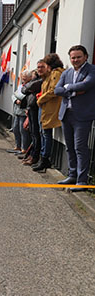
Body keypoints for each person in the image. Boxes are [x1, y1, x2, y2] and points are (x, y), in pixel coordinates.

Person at [55, 45, 95, 192]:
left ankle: (82, 181)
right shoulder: (67, 72)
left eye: (78, 57)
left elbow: (87, 84)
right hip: (66, 114)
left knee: (80, 148)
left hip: (82, 116)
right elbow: (57, 90)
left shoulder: (92, 70)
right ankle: (72, 175)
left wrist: (68, 88)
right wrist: (73, 90)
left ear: (86, 56)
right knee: (69, 146)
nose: (75, 60)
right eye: (73, 57)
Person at [33, 53, 64, 173]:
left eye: (45, 65)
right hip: (46, 106)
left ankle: (45, 159)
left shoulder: (56, 73)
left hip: (49, 107)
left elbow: (53, 90)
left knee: (46, 133)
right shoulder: (51, 74)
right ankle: (43, 158)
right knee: (43, 132)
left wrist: (41, 99)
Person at [21, 66, 43, 166]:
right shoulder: (36, 81)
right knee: (32, 133)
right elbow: (24, 89)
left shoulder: (39, 81)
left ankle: (34, 156)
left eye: (33, 76)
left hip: (35, 108)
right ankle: (31, 154)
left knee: (35, 133)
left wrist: (28, 88)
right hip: (31, 107)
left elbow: (27, 88)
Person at [9, 71, 32, 155]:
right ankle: (17, 146)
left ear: (30, 77)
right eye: (23, 76)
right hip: (17, 111)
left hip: (23, 112)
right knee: (15, 129)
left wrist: (16, 95)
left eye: (25, 76)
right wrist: (15, 99)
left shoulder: (29, 86)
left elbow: (23, 97)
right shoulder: (20, 86)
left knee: (23, 130)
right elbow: (13, 95)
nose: (23, 78)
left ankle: (24, 148)